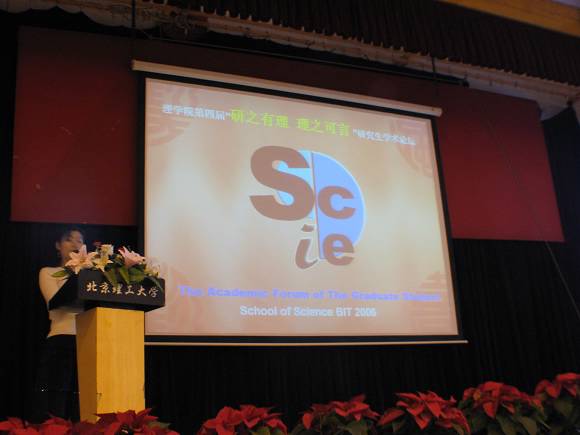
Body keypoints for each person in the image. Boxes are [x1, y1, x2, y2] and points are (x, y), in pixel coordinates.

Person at [33, 227, 85, 422]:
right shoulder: (48, 272)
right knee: (56, 400)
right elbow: (53, 301)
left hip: (89, 340)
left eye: (80, 240)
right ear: (58, 245)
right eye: (69, 239)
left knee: (83, 400)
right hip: (61, 340)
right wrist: (77, 275)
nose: (75, 244)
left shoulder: (91, 276)